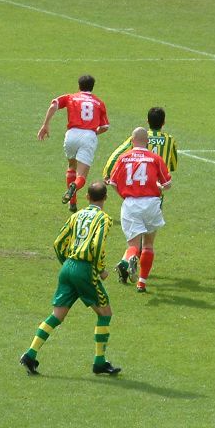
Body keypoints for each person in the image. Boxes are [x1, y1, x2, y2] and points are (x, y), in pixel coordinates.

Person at [19, 181, 121, 377]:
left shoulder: (76, 215)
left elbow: (58, 242)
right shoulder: (104, 219)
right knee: (105, 313)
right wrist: (100, 270)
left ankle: (30, 354)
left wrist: (66, 264)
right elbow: (98, 244)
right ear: (106, 198)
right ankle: (99, 362)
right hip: (85, 269)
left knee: (57, 315)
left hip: (68, 267)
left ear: (87, 197)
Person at [102, 107, 177, 287]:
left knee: (133, 245)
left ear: (132, 140)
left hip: (130, 203)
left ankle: (127, 261)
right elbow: (168, 183)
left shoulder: (124, 157)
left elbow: (112, 181)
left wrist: (122, 193)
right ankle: (142, 283)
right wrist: (160, 187)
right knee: (149, 244)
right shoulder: (156, 157)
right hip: (153, 202)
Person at [37, 74, 109, 212]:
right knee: (81, 176)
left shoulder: (71, 97)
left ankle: (72, 203)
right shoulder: (99, 103)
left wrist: (45, 125)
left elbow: (53, 104)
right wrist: (93, 132)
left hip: (71, 135)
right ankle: (74, 186)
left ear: (79, 86)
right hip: (88, 135)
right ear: (92, 87)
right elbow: (105, 127)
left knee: (71, 165)